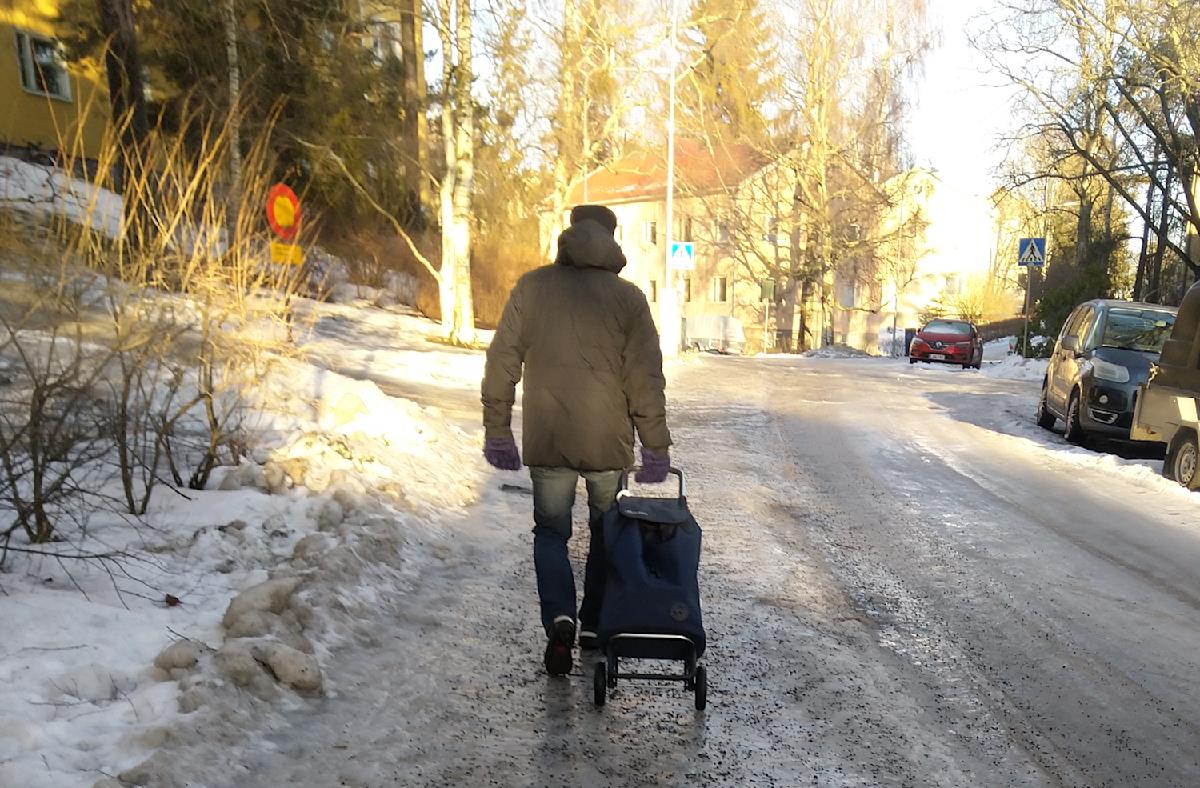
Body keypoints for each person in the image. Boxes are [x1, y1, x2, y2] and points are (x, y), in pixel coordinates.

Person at [481, 204, 673, 676]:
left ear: (569, 235)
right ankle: (593, 623)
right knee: (608, 532)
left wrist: (498, 429)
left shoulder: (533, 287)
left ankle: (560, 618)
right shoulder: (629, 299)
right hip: (608, 443)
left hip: (549, 438)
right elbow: (644, 377)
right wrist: (655, 443)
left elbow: (502, 360)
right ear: (611, 238)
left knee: (551, 533)